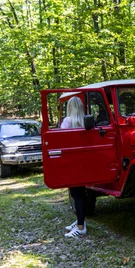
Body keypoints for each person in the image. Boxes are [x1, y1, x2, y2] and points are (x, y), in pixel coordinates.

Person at [60, 96, 87, 239]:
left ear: (70, 107)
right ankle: (79, 221)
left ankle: (81, 227)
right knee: (80, 193)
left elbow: (61, 140)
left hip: (72, 161)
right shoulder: (87, 121)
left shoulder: (67, 122)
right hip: (83, 161)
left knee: (76, 194)